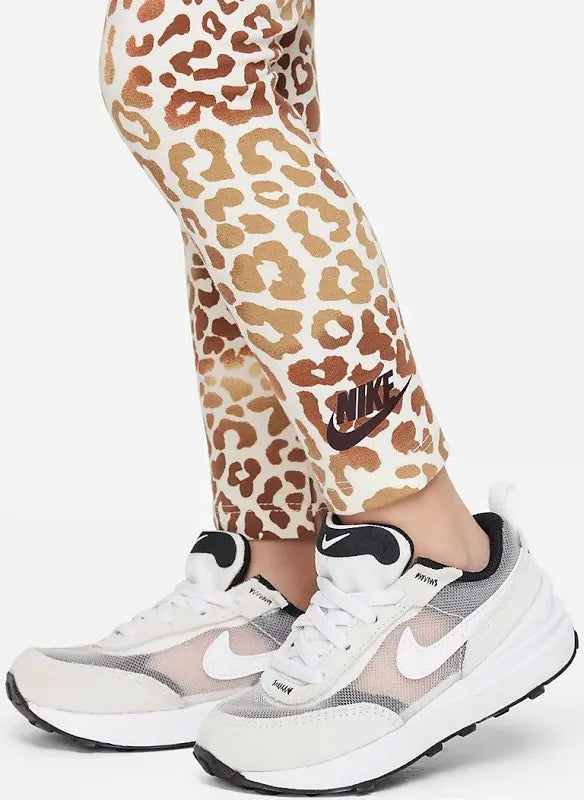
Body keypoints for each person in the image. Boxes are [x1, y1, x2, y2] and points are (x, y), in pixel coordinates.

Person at [6, 1, 576, 792]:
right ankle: (286, 563)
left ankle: (426, 547)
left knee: (181, 77)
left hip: (425, 552)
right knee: (253, 78)